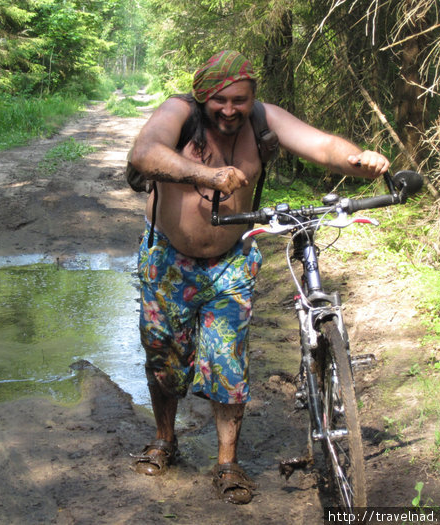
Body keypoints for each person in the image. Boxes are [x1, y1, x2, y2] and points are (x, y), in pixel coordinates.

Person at [129, 50, 389, 505]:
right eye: (221, 101)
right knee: (166, 358)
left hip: (231, 260)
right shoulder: (180, 112)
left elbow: (323, 146)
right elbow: (144, 153)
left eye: (240, 100)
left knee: (228, 362)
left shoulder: (263, 120)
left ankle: (227, 462)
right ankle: (165, 439)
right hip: (170, 260)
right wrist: (204, 173)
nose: (230, 110)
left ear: (253, 98)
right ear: (203, 96)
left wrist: (360, 159)